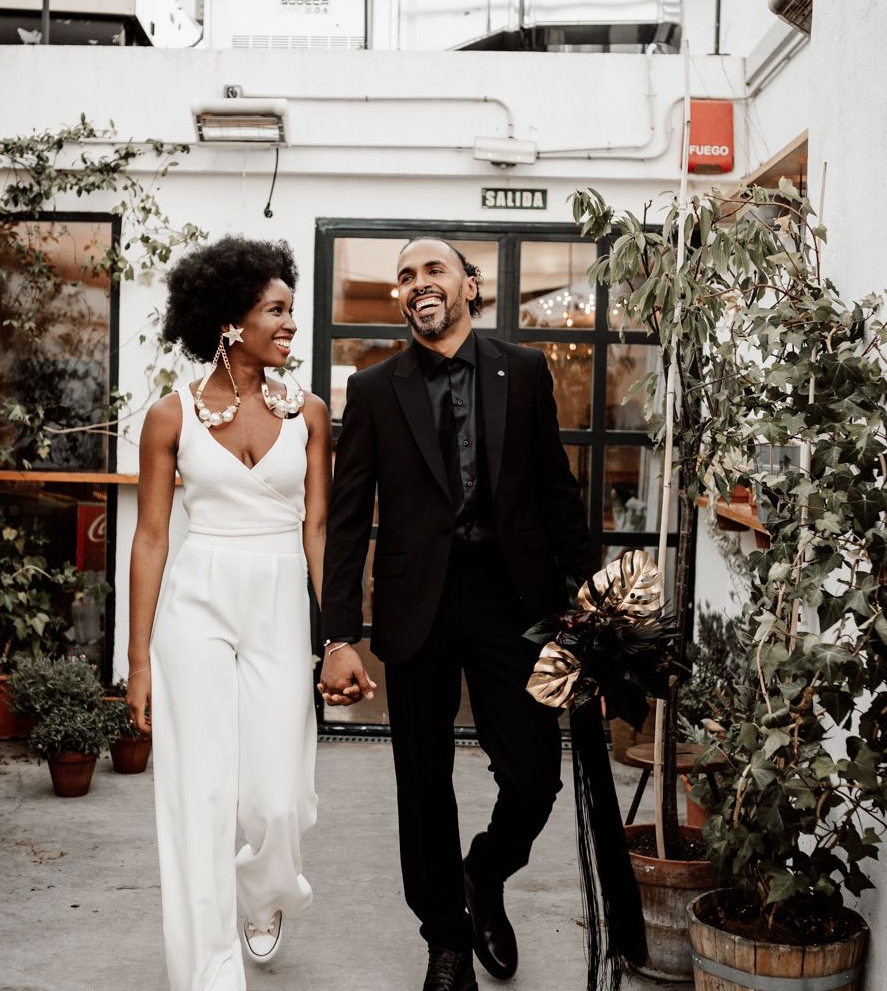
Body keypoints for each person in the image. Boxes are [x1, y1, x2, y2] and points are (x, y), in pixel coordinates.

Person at [319, 238, 596, 991]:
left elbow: (555, 490)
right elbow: (347, 521)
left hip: (512, 601)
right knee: (422, 781)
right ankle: (444, 941)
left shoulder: (526, 370)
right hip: (416, 606)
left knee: (537, 774)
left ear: (470, 286)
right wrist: (339, 633)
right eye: (404, 277)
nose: (417, 284)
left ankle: (485, 871)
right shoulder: (374, 391)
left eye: (433, 269)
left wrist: (595, 591)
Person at [126, 236, 330, 991]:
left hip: (279, 602)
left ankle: (268, 893)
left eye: (289, 310)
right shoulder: (168, 417)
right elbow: (150, 538)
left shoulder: (309, 413)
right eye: (275, 311)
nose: (288, 325)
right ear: (228, 321)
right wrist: (138, 660)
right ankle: (208, 971)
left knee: (277, 799)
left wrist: (336, 630)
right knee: (197, 793)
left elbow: (317, 529)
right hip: (196, 602)